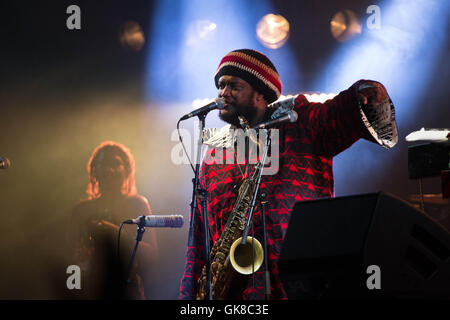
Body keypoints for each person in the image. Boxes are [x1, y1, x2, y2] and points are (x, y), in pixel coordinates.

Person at [179, 49, 398, 300]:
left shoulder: (301, 124)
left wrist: (364, 91)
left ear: (261, 93)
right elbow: (197, 238)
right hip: (229, 293)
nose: (222, 93)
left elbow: (339, 113)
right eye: (220, 85)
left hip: (296, 284)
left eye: (233, 85)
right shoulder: (213, 153)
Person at [71, 141, 159, 299]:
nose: (109, 169)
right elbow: (71, 259)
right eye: (103, 164)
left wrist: (114, 233)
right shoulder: (81, 210)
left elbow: (151, 255)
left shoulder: (137, 204)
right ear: (94, 171)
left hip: (127, 292)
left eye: (116, 164)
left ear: (126, 170)